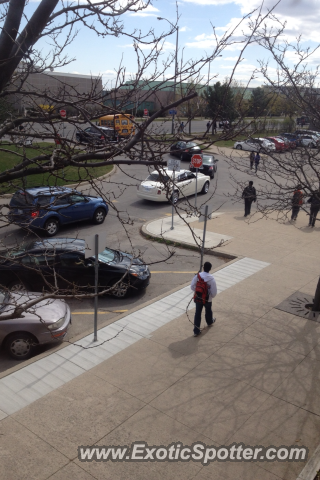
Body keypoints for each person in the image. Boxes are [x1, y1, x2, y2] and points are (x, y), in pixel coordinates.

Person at [191, 262, 217, 337]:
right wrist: (210, 296)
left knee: (197, 313)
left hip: (198, 298)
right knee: (208, 310)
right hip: (207, 299)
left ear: (203, 268)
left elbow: (192, 286)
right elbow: (214, 292)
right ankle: (209, 321)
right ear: (210, 269)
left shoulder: (198, 276)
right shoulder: (212, 279)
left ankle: (196, 331)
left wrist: (198, 292)